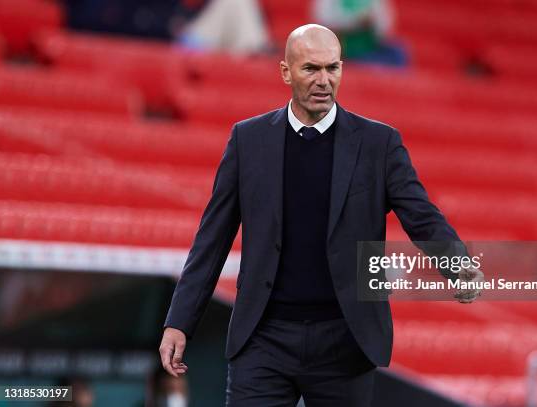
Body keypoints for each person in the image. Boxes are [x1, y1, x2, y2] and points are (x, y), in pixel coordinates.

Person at [160, 24, 483, 406]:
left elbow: (421, 215)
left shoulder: (379, 143)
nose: (324, 80)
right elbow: (212, 238)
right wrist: (179, 320)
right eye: (311, 69)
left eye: (333, 68)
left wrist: (456, 262)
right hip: (263, 337)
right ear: (285, 72)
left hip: (345, 341)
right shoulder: (248, 140)